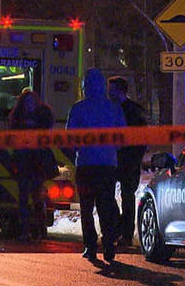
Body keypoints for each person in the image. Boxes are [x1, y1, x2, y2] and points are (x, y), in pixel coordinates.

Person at [66, 68, 126, 262]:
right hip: (107, 165)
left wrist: (80, 149)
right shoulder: (114, 108)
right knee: (106, 206)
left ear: (85, 86)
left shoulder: (78, 109)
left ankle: (90, 246)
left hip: (86, 165)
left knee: (86, 208)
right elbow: (122, 137)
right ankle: (108, 245)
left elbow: (70, 138)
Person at [9, 91, 57, 241]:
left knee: (38, 197)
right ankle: (25, 230)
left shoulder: (43, 115)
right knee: (23, 197)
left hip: (38, 162)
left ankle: (40, 230)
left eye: (31, 102)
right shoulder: (18, 116)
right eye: (26, 102)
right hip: (24, 161)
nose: (29, 105)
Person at [108, 76, 148, 247]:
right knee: (109, 195)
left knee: (127, 197)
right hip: (114, 159)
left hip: (128, 160)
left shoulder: (132, 110)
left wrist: (136, 158)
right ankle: (120, 229)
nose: (109, 93)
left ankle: (125, 234)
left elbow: (142, 137)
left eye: (112, 90)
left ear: (120, 91)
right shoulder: (114, 108)